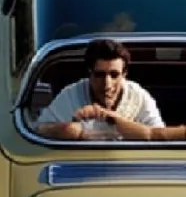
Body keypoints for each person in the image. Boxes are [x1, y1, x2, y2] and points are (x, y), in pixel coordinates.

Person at [36, 38, 165, 140]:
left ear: (124, 74)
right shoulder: (72, 95)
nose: (107, 84)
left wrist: (118, 122)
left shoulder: (139, 97)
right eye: (99, 74)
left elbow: (158, 136)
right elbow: (40, 129)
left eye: (114, 75)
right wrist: (75, 131)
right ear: (89, 73)